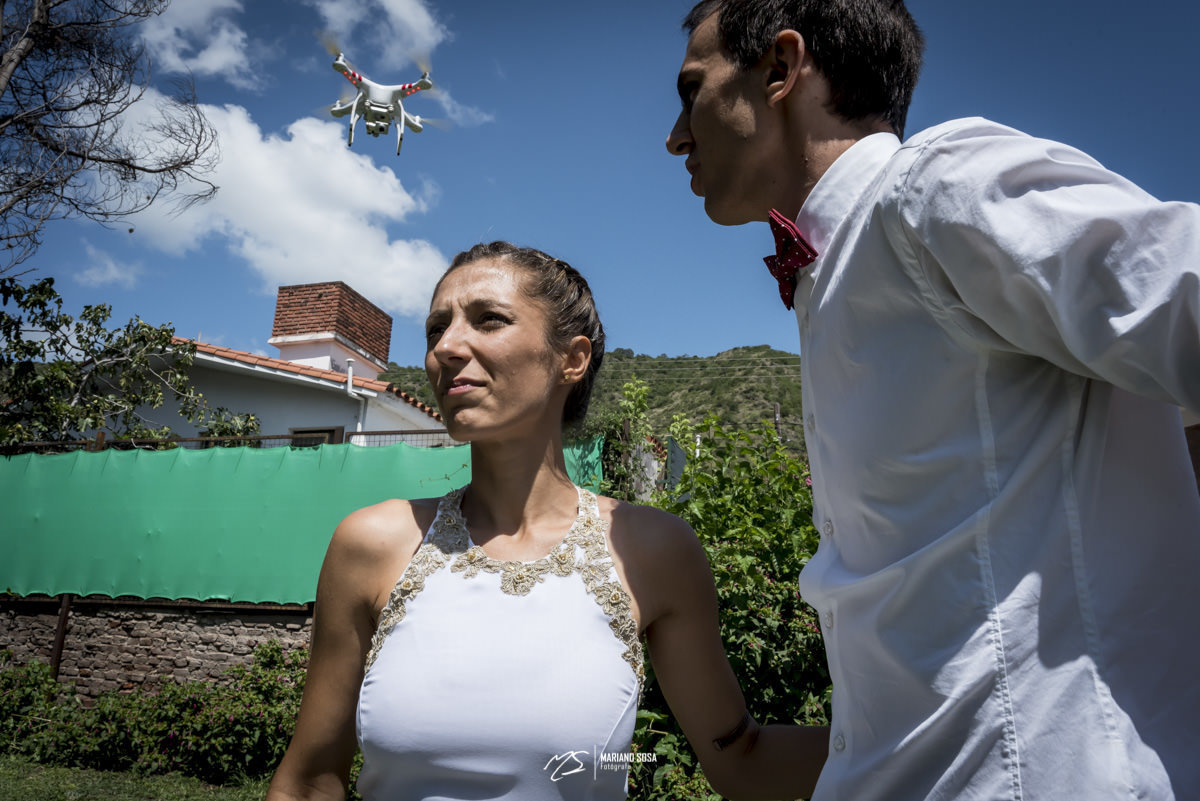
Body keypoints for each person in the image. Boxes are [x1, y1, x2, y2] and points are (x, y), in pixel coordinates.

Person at [665, 1, 1200, 800]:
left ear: (781, 69)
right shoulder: (835, 271)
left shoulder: (937, 189)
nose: (677, 135)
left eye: (691, 90)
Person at [264, 241, 827, 801]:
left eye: (489, 320)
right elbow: (310, 782)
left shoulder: (650, 550)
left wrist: (908, 737)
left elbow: (743, 763)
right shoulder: (374, 543)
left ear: (572, 359)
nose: (447, 347)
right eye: (437, 329)